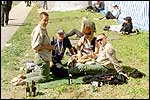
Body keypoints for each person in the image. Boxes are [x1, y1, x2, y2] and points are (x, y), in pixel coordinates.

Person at [11, 12, 55, 86]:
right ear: (40, 20)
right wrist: (49, 47)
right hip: (42, 57)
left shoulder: (42, 29)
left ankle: (22, 77)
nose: (46, 22)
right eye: (44, 20)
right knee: (44, 77)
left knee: (39, 72)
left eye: (47, 20)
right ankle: (24, 82)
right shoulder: (39, 30)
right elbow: (35, 46)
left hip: (43, 56)